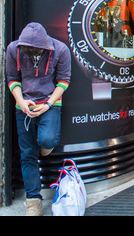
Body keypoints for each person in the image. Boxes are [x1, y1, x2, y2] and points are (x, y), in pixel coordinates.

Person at [6, 22, 71, 216]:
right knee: (27, 154)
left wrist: (49, 104)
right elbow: (12, 78)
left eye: (35, 53)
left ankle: (43, 146)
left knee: (47, 140)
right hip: (23, 106)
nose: (31, 55)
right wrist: (21, 101)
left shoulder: (60, 50)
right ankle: (34, 202)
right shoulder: (13, 49)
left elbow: (64, 80)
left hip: (49, 103)